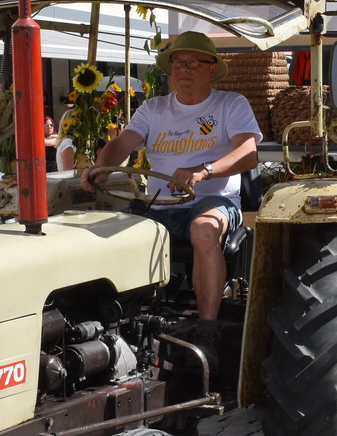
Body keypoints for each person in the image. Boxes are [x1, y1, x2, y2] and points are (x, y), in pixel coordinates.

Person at [84, 32, 261, 327]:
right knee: (108, 234)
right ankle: (117, 322)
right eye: (178, 63)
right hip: (156, 205)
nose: (184, 70)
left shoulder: (231, 104)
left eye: (194, 63)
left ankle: (207, 328)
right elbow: (123, 144)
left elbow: (248, 154)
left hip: (211, 201)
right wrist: (101, 167)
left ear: (212, 69)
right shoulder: (154, 109)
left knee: (204, 230)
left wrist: (204, 170)